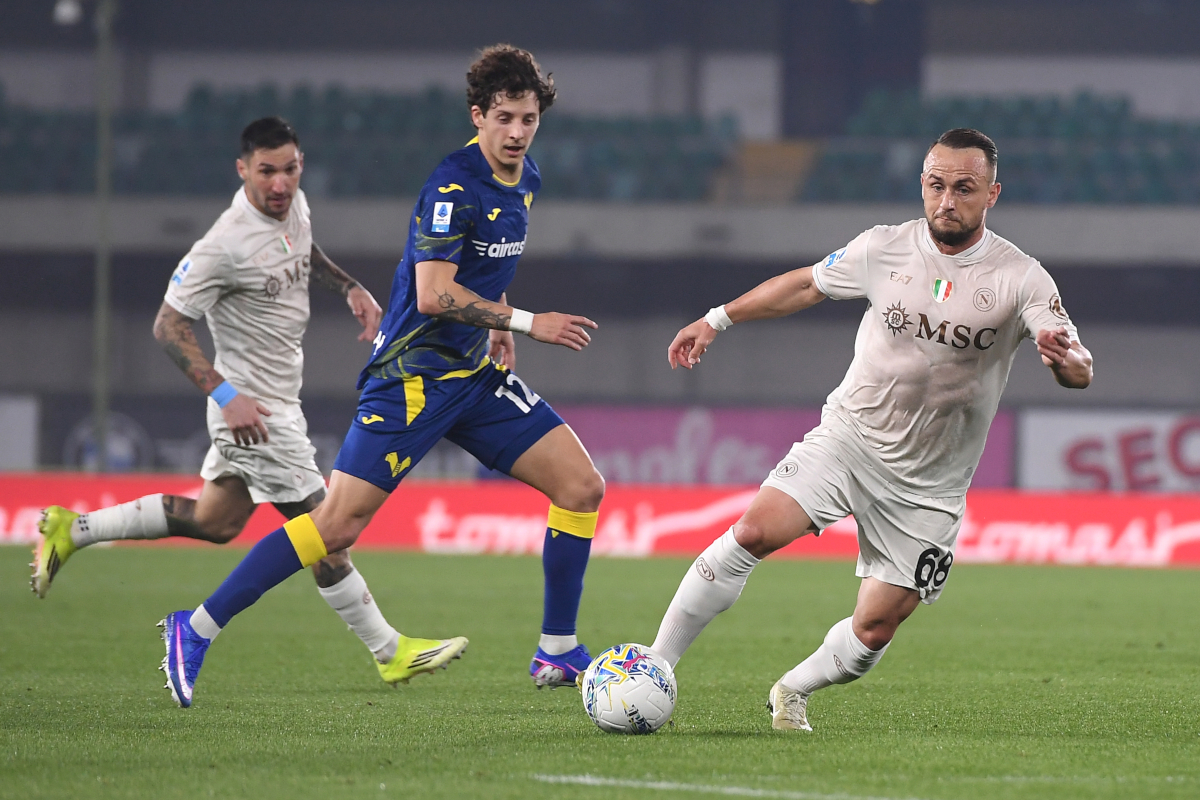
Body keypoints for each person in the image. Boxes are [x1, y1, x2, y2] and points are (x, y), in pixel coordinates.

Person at [156, 44, 607, 708]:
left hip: (471, 375)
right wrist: (524, 322)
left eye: (528, 119)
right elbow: (430, 294)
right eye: (504, 118)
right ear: (477, 115)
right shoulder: (453, 186)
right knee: (335, 528)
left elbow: (478, 274)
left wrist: (490, 330)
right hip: (411, 379)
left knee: (580, 485)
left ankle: (558, 651)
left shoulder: (527, 177)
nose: (516, 133)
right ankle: (193, 629)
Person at [649, 128, 1093, 731]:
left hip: (930, 486)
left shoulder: (1022, 278)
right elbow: (805, 284)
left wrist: (1064, 359)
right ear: (922, 184)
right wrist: (716, 318)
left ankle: (793, 689)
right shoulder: (884, 248)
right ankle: (657, 665)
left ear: (992, 194)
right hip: (850, 439)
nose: (946, 201)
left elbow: (1077, 365)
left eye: (964, 188)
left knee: (875, 628)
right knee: (754, 530)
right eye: (936, 186)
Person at [31, 117, 460, 694]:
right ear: (243, 170)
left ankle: (73, 528)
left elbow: (302, 252)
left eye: (289, 169)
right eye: (266, 172)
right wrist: (226, 395)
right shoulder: (223, 244)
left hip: (281, 401)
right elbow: (167, 326)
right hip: (256, 414)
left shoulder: (295, 206)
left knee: (216, 521)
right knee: (327, 531)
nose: (280, 184)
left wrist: (350, 288)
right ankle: (387, 650)